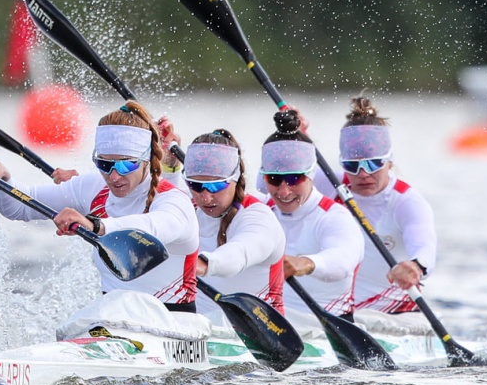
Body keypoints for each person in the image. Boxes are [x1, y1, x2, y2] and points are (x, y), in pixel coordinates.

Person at [0, 100, 201, 311]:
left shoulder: (174, 201)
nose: (114, 176)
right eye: (104, 163)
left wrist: (95, 225)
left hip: (177, 329)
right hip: (113, 322)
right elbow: (20, 207)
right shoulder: (93, 186)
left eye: (126, 165)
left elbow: (151, 228)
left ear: (147, 159)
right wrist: (2, 177)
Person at [314, 96, 437, 314]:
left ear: (389, 161)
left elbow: (425, 248)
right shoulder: (330, 183)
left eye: (374, 163)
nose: (363, 174)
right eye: (352, 165)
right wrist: (294, 139)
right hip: (336, 310)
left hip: (393, 313)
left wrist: (416, 266)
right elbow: (267, 187)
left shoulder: (407, 202)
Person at [171, 128, 288, 319]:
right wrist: (169, 168)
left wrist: (204, 264)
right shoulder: (187, 209)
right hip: (197, 330)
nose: (206, 197)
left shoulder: (259, 217)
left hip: (255, 333)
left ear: (235, 178)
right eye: (196, 185)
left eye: (216, 186)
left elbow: (240, 252)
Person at [260, 109, 364, 319]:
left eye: (294, 179)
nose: (284, 191)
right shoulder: (260, 211)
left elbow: (343, 260)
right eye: (273, 179)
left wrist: (306, 263)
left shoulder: (334, 216)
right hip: (271, 325)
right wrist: (173, 169)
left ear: (311, 174)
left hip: (324, 328)